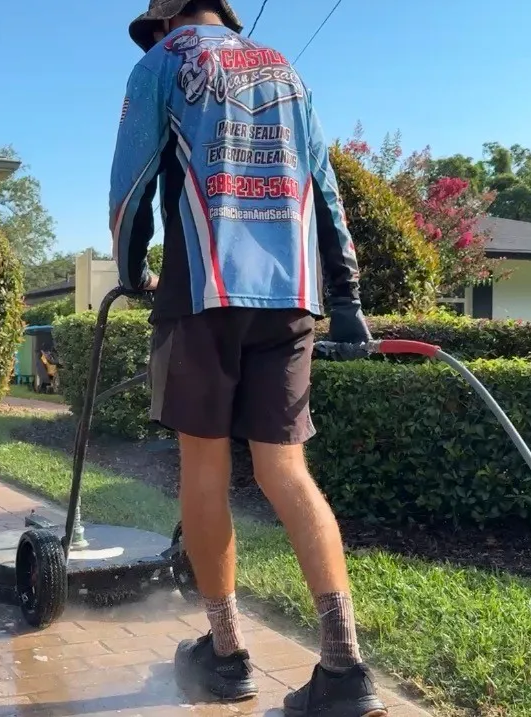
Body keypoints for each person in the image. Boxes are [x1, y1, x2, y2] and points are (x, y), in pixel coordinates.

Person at [109, 1, 388, 716]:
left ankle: (228, 655)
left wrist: (132, 267)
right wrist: (348, 299)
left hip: (204, 292)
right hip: (292, 294)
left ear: (168, 16)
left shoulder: (162, 64)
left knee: (205, 469)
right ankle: (345, 669)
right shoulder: (287, 71)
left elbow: (132, 185)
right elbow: (326, 189)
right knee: (284, 469)